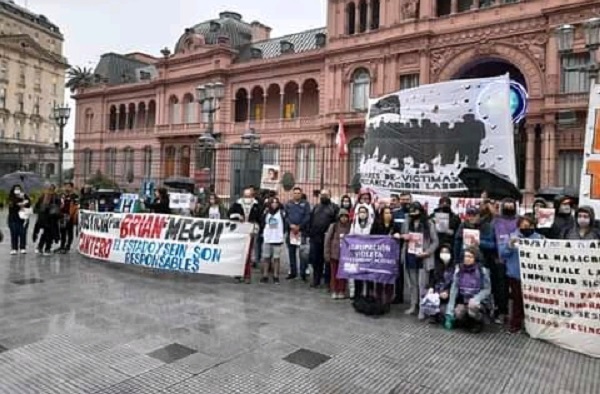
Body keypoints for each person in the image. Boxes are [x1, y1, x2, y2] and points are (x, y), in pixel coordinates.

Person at [500, 215, 543, 333]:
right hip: (515, 275)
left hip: (532, 276)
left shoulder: (539, 238)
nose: (527, 228)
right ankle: (515, 325)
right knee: (517, 301)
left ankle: (531, 325)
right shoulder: (511, 237)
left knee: (531, 301)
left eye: (530, 226)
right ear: (519, 226)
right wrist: (509, 246)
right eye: (524, 226)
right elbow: (502, 254)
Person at [401, 201, 438, 318]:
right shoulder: (407, 222)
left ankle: (422, 308)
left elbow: (435, 241)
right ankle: (413, 305)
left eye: (415, 211)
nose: (413, 214)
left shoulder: (429, 223)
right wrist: (404, 237)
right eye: (411, 211)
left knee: (422, 284)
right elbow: (403, 235)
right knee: (412, 284)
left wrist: (427, 252)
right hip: (410, 255)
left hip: (423, 257)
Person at [445, 246, 492, 333]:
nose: (467, 259)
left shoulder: (482, 271)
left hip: (478, 302)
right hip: (464, 300)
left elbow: (487, 289)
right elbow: (454, 289)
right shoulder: (459, 270)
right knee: (458, 313)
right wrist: (450, 310)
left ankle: (478, 322)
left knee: (472, 306)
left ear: (475, 258)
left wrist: (476, 299)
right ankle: (467, 322)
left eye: (470, 257)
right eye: (465, 256)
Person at [491, 198, 519, 324]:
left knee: (515, 289)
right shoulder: (495, 221)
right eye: (506, 206)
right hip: (500, 260)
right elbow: (491, 238)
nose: (508, 208)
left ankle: (516, 315)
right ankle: (502, 312)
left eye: (511, 206)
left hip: (515, 260)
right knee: (501, 288)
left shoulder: (519, 220)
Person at [228, 188, 261, 283]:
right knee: (239, 253)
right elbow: (229, 214)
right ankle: (238, 274)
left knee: (248, 254)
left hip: (250, 232)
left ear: (252, 196)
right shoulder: (237, 204)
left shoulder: (256, 205)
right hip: (240, 231)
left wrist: (255, 230)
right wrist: (238, 216)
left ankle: (247, 275)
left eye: (249, 196)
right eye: (245, 196)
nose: (247, 198)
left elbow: (259, 220)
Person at [369, 206, 400, 305]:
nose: (388, 215)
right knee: (379, 278)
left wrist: (397, 236)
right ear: (382, 214)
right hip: (379, 256)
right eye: (386, 213)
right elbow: (371, 238)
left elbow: (399, 238)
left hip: (390, 257)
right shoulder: (376, 225)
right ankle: (378, 299)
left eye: (390, 213)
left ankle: (387, 300)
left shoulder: (394, 226)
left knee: (389, 279)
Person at [308, 189, 338, 289]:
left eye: (326, 194)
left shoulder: (334, 207)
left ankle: (328, 281)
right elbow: (311, 221)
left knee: (328, 261)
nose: (323, 196)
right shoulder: (316, 207)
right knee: (316, 261)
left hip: (328, 239)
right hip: (316, 239)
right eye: (322, 194)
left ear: (330, 195)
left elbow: (336, 224)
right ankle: (316, 280)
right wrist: (310, 233)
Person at [422, 244, 456, 324]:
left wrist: (447, 291)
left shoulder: (455, 268)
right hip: (437, 293)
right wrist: (431, 288)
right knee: (425, 294)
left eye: (446, 252)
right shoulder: (436, 266)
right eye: (442, 252)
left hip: (448, 294)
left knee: (444, 313)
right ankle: (432, 314)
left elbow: (455, 284)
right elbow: (432, 280)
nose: (444, 254)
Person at [284, 187, 311, 280]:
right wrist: (290, 225)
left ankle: (303, 273)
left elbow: (307, 216)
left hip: (302, 232)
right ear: (293, 194)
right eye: (295, 193)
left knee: (303, 254)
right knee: (291, 253)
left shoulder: (306, 204)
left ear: (301, 194)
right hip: (291, 232)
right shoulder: (288, 204)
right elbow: (285, 216)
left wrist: (299, 226)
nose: (297, 194)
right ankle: (293, 272)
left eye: (298, 193)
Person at [324, 208, 351, 299]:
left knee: (343, 274)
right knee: (334, 274)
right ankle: (334, 290)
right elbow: (327, 240)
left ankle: (341, 290)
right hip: (334, 254)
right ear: (339, 217)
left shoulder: (350, 227)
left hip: (345, 255)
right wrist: (327, 253)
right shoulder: (334, 226)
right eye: (342, 216)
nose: (344, 218)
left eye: (345, 217)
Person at [259, 197, 286, 284]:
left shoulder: (281, 213)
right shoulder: (266, 212)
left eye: (276, 202)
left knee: (276, 258)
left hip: (277, 239)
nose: (274, 204)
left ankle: (276, 276)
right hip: (267, 238)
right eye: (273, 202)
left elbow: (285, 224)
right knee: (266, 258)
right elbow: (262, 222)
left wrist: (281, 234)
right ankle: (265, 275)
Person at [350, 204, 375, 298]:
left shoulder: (371, 224)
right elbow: (350, 235)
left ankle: (368, 294)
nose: (362, 214)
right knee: (358, 275)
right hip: (357, 253)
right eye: (360, 212)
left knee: (368, 275)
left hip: (368, 253)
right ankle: (357, 294)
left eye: (364, 212)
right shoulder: (354, 224)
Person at [390, 192, 411, 304]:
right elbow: (392, 229)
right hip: (398, 246)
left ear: (410, 200)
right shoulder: (395, 213)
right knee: (398, 273)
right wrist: (394, 234)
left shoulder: (415, 212)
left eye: (407, 199)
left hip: (413, 246)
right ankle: (398, 296)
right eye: (403, 199)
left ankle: (415, 299)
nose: (405, 201)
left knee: (413, 273)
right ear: (400, 201)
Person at [35, 184, 61, 256]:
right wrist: (42, 208)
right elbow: (36, 207)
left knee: (50, 234)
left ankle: (46, 248)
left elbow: (59, 206)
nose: (50, 191)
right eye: (49, 189)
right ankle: (42, 247)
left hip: (52, 219)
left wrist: (53, 207)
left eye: (52, 189)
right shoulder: (42, 197)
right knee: (46, 233)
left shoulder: (56, 197)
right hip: (44, 218)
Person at [7, 184, 31, 255]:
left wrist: (25, 202)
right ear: (13, 190)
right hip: (13, 218)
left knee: (23, 233)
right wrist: (18, 204)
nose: (17, 190)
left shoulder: (24, 195)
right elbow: (11, 206)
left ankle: (23, 248)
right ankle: (14, 248)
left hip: (23, 218)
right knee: (14, 233)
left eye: (18, 188)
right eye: (16, 188)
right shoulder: (11, 197)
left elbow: (29, 204)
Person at [57, 182, 78, 253]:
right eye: (65, 186)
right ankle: (62, 246)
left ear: (72, 188)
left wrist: (71, 215)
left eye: (68, 187)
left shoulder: (74, 196)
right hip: (62, 215)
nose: (67, 188)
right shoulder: (62, 195)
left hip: (70, 216)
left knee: (69, 232)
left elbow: (76, 207)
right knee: (62, 231)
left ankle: (68, 246)